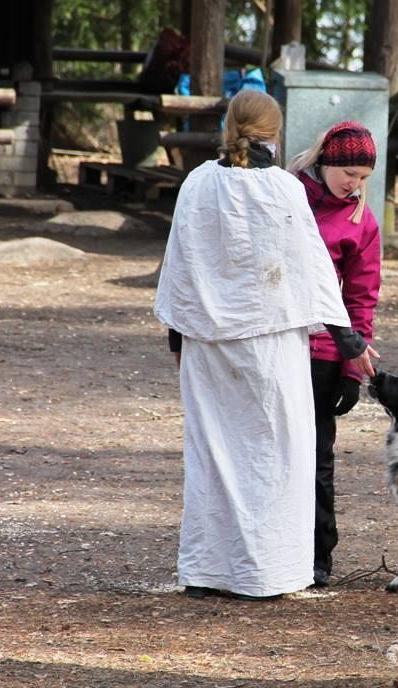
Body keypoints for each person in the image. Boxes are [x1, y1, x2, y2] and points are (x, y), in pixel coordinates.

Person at [154, 91, 379, 601]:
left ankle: (209, 570)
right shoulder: (283, 189)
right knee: (272, 454)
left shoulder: (197, 183)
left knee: (213, 453)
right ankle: (264, 571)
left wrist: (177, 335)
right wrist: (349, 343)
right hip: (270, 345)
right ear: (275, 134)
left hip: (207, 344)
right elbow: (314, 272)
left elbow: (179, 265)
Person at [287, 122, 381, 588]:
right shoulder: (286, 196)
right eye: (348, 173)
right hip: (276, 344)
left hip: (326, 352)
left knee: (318, 457)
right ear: (325, 161)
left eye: (363, 177)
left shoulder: (361, 221)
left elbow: (360, 298)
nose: (354, 184)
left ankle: (318, 554)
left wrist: (351, 370)